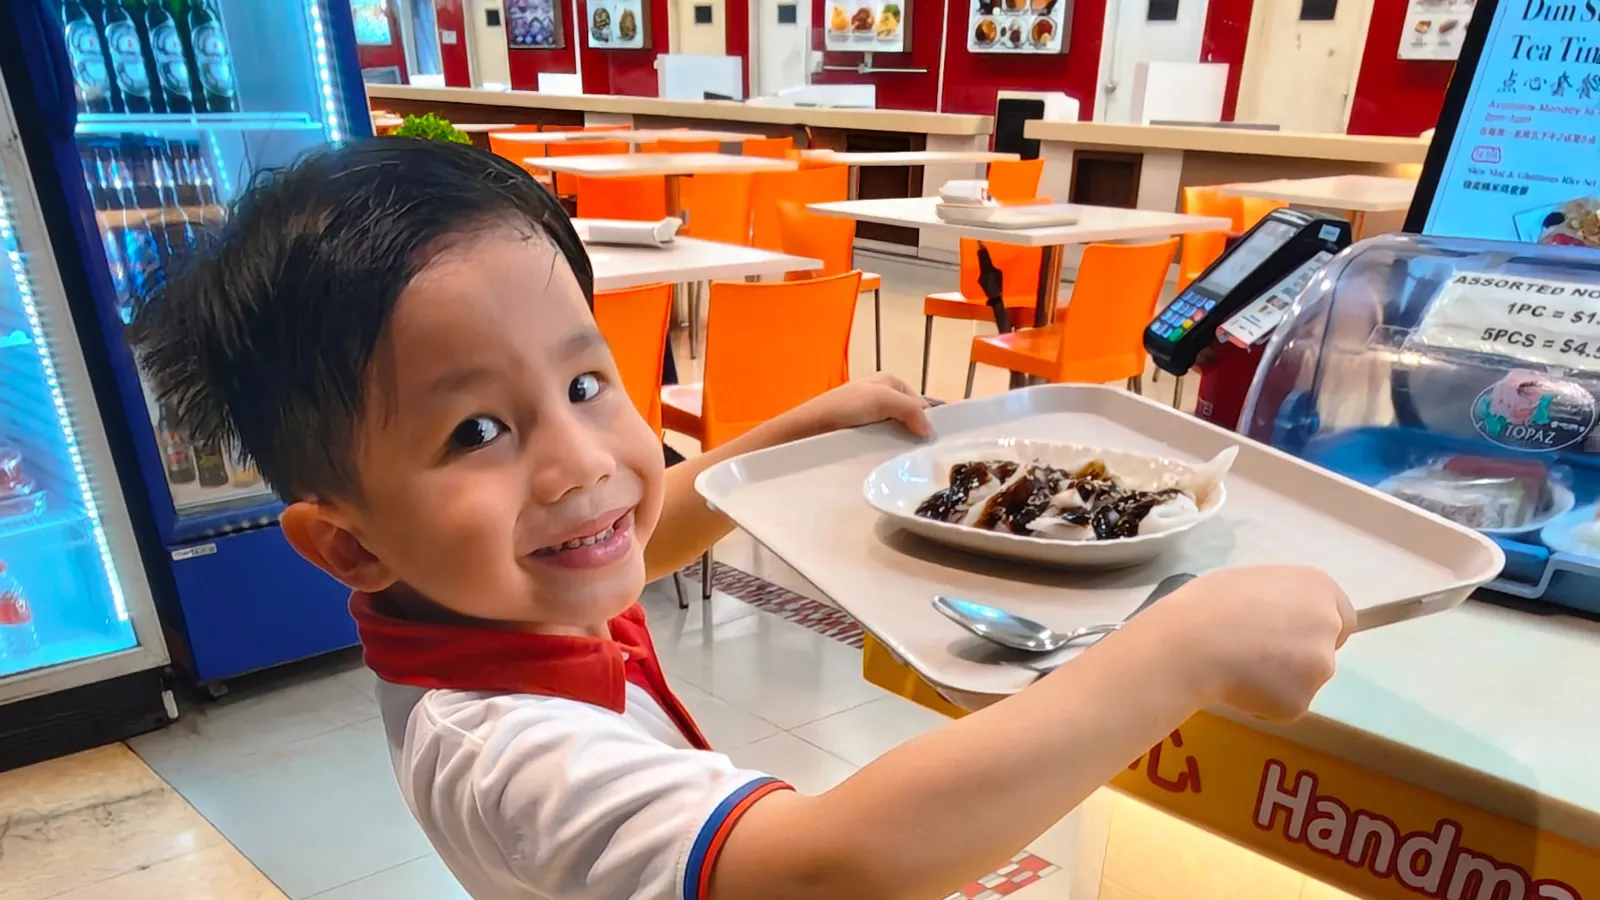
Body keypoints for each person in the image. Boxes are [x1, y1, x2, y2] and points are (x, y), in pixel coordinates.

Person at [130, 138, 1355, 900]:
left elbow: (629, 545)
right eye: (476, 433)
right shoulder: (507, 753)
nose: (577, 467)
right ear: (347, 541)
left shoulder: (478, 603)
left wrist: (780, 443)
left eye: (581, 381)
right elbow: (833, 868)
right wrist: (1181, 649)